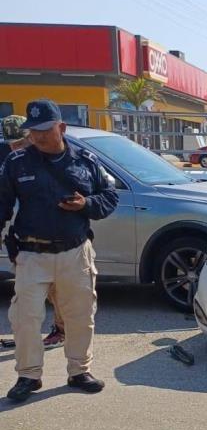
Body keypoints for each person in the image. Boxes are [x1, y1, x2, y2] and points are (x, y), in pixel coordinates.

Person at [0, 99, 119, 402]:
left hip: (74, 252)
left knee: (80, 315)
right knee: (24, 317)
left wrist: (86, 205)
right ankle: (28, 375)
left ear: (61, 127)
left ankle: (79, 371)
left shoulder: (86, 161)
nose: (38, 136)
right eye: (33, 131)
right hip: (31, 253)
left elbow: (109, 197)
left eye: (44, 130)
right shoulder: (17, 162)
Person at [0, 116, 66, 349]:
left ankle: (61, 329)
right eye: (11, 144)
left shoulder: (52, 158)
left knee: (57, 291)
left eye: (20, 142)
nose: (15, 148)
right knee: (26, 294)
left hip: (58, 240)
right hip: (23, 241)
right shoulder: (12, 162)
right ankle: (25, 338)